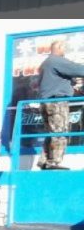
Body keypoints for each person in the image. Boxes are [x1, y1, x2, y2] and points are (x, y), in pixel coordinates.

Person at [36, 40, 84, 170]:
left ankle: (45, 161)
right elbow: (78, 69)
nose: (65, 51)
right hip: (57, 102)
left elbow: (41, 84)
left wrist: (71, 84)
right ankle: (54, 162)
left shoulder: (45, 64)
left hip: (46, 101)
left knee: (51, 132)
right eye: (64, 48)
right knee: (60, 131)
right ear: (58, 48)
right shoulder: (56, 60)